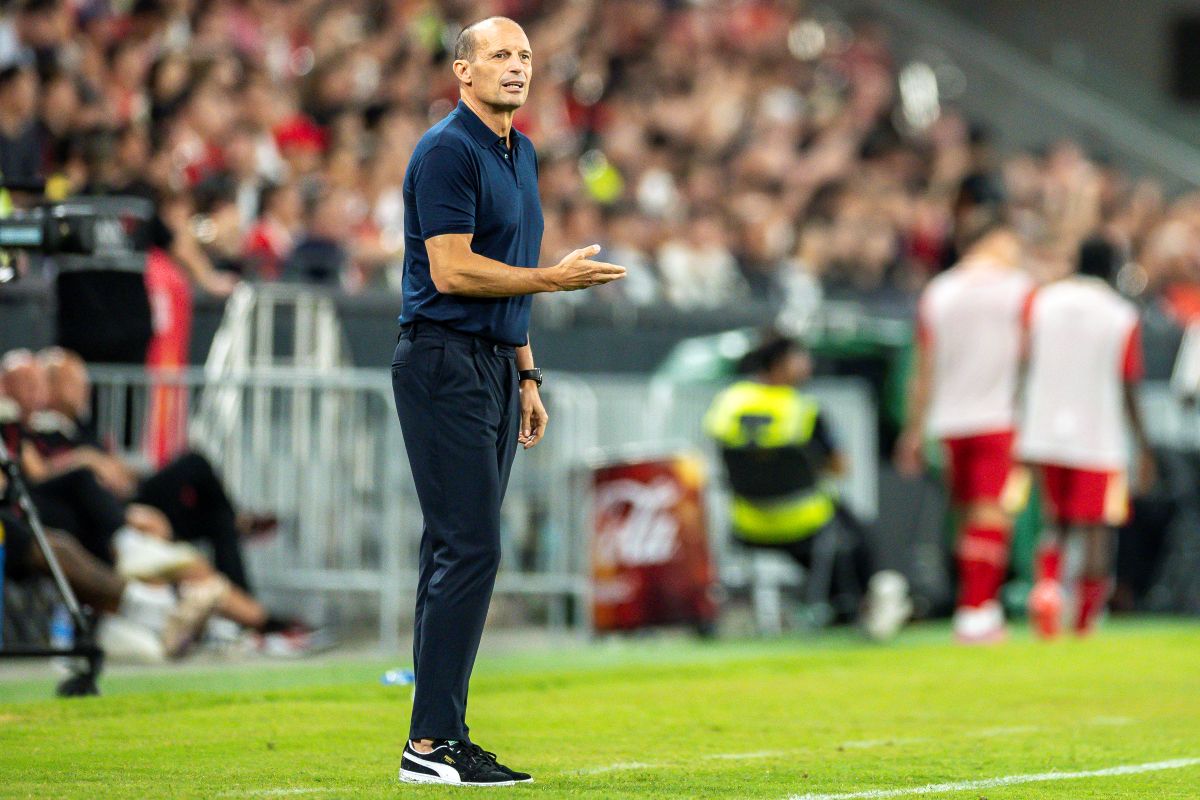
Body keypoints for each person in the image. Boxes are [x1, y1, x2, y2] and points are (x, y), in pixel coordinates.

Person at [392, 17, 624, 787]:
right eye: (498, 54)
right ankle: (430, 745)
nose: (516, 66)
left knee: (451, 550)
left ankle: (438, 737)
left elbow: (510, 267)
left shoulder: (518, 150)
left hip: (491, 363)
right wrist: (553, 283)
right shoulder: (446, 151)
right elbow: (454, 272)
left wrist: (527, 373)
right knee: (471, 548)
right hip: (441, 359)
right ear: (463, 70)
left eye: (524, 55)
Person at [704, 332, 911, 640]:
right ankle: (862, 605)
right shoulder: (802, 408)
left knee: (837, 538)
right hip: (805, 525)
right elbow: (840, 467)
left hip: (746, 524)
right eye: (799, 359)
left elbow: (721, 453)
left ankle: (851, 605)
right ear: (779, 364)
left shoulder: (728, 402)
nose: (807, 366)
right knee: (855, 535)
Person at [895, 220, 1032, 643]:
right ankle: (977, 609)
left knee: (967, 515)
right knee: (991, 513)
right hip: (998, 417)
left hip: (950, 423)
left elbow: (923, 369)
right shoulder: (1019, 289)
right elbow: (1031, 358)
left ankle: (974, 606)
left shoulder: (939, 292)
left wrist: (914, 429)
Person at [1017, 238, 1154, 639]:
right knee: (1095, 526)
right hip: (1098, 434)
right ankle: (1084, 620)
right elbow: (1128, 382)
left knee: (1053, 521)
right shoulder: (1120, 314)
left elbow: (1024, 361)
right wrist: (1142, 445)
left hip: (1044, 428)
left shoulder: (1041, 302)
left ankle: (1046, 593)